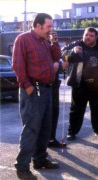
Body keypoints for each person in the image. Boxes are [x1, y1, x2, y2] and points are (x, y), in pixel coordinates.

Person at [12, 13, 61, 179]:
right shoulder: (23, 39)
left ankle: (40, 159)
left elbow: (56, 57)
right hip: (34, 88)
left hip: (47, 88)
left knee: (45, 128)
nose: (51, 30)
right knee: (32, 129)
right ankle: (22, 167)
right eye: (48, 27)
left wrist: (54, 43)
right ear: (38, 26)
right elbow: (17, 65)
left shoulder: (45, 41)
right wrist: (27, 86)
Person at [62, 27, 98, 141]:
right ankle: (72, 132)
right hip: (80, 83)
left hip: (97, 84)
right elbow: (62, 55)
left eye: (91, 36)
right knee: (76, 110)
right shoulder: (76, 44)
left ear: (96, 37)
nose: (88, 37)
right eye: (86, 35)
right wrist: (72, 52)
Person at [48, 62, 67, 148]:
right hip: (43, 84)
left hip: (54, 84)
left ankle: (51, 139)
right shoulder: (43, 48)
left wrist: (60, 65)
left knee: (55, 112)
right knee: (44, 114)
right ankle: (39, 147)